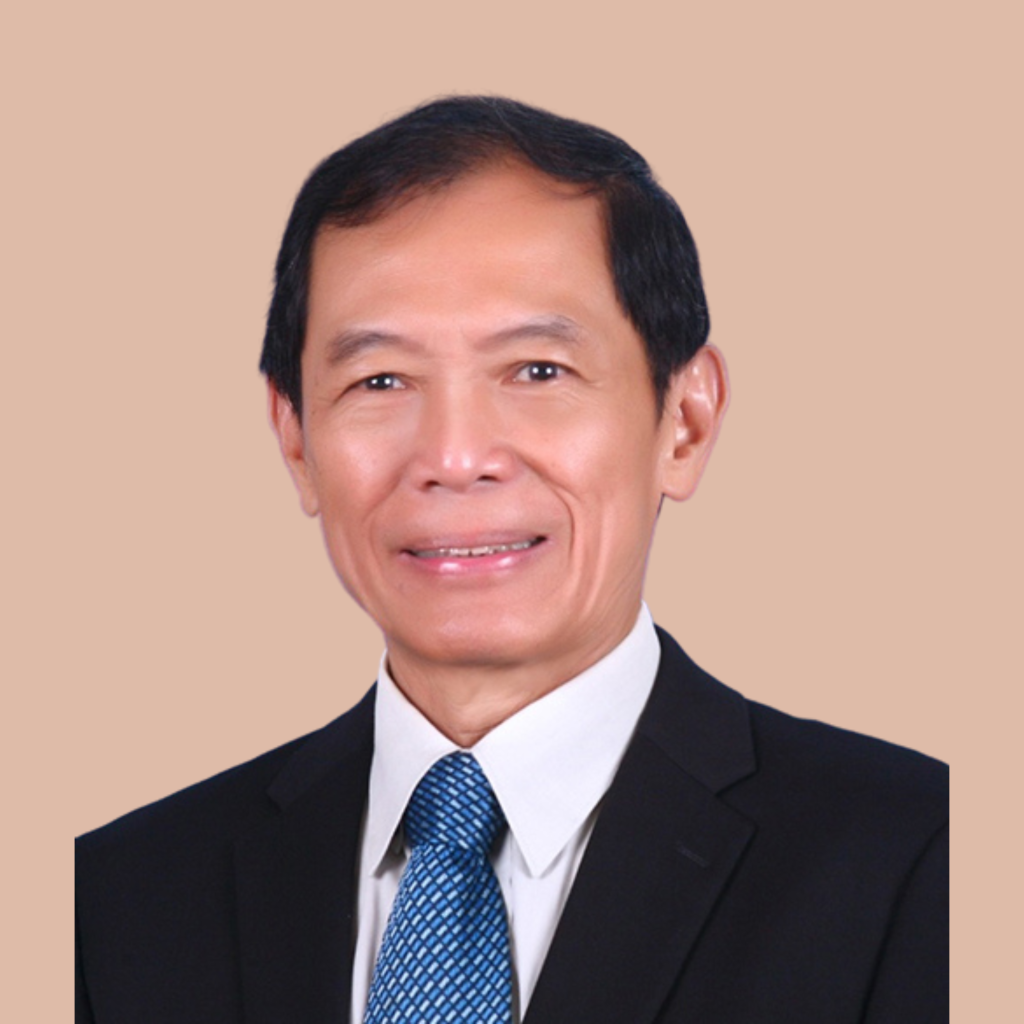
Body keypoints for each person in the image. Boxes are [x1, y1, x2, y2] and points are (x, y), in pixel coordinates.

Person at [75, 96, 948, 1024]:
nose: (454, 458)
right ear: (296, 441)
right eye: (379, 380)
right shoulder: (115, 900)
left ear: (685, 422)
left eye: (538, 371)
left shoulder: (925, 861)